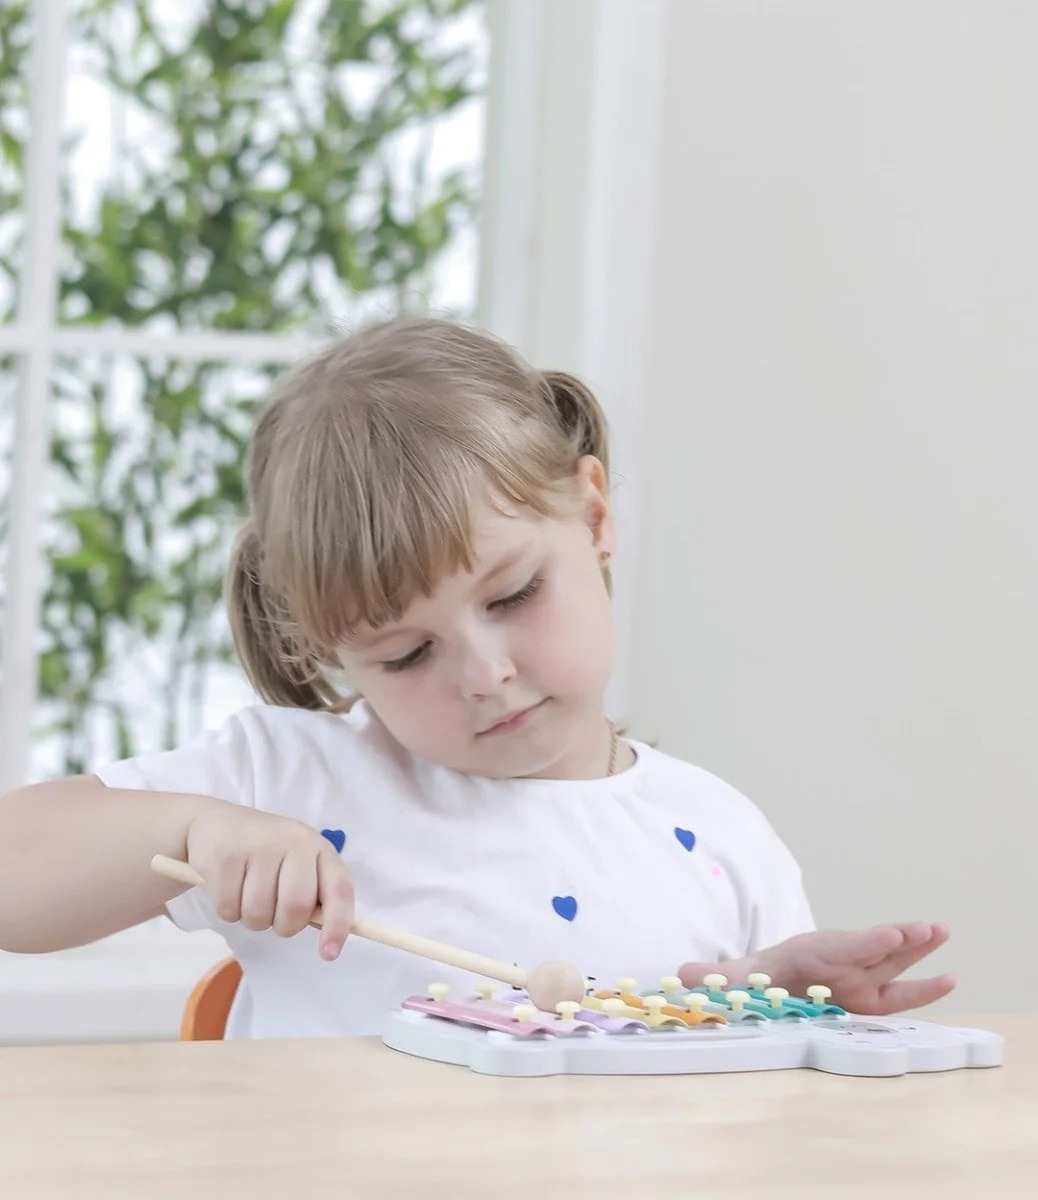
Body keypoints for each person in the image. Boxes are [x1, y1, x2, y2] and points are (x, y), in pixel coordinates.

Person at [0, 316, 954, 1039]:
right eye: (406, 655)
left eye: (515, 594)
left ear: (591, 517)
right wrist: (194, 828)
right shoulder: (288, 784)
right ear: (331, 650)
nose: (485, 675)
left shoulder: (721, 841)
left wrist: (768, 1011)